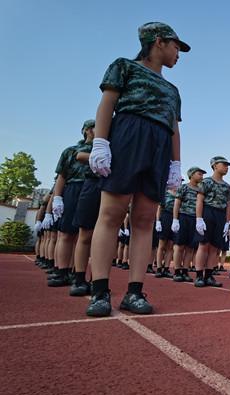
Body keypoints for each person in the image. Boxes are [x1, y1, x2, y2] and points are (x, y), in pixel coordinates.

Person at [85, 22, 190, 317]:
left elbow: (174, 128)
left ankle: (134, 291)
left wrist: (175, 162)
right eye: (175, 46)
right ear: (158, 42)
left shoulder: (172, 89)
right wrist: (101, 143)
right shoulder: (124, 67)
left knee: (144, 219)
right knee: (111, 214)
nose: (178, 53)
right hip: (129, 135)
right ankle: (100, 291)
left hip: (158, 145)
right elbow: (107, 104)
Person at [48, 124, 95, 287]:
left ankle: (78, 272)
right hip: (74, 188)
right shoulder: (70, 150)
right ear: (88, 130)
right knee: (67, 233)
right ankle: (62, 271)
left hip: (93, 187)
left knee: (85, 234)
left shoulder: (104, 148)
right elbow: (62, 176)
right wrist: (57, 198)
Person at [69, 120, 100, 296]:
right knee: (85, 233)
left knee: (103, 235)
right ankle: (79, 277)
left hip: (111, 185)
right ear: (88, 130)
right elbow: (79, 156)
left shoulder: (112, 141)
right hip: (91, 184)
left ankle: (99, 279)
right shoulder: (91, 145)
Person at [194, 156, 230, 288]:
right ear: (215, 165)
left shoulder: (227, 186)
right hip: (208, 212)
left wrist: (227, 222)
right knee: (203, 244)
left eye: (227, 165)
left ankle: (209, 275)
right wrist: (199, 218)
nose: (226, 167)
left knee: (215, 247)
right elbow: (199, 200)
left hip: (221, 215)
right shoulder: (206, 182)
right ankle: (199, 275)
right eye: (224, 164)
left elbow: (228, 205)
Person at [171, 167, 205, 282]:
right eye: (199, 174)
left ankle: (185, 271)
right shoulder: (184, 187)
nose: (201, 176)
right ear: (191, 175)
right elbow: (177, 203)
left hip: (195, 219)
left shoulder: (201, 189)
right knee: (180, 245)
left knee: (190, 247)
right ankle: (177, 271)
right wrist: (175, 219)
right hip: (183, 217)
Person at [155, 187, 177, 278]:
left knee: (170, 245)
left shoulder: (180, 193)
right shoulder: (165, 193)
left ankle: (166, 268)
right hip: (165, 216)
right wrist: (158, 221)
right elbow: (159, 207)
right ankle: (159, 268)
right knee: (161, 245)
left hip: (175, 218)